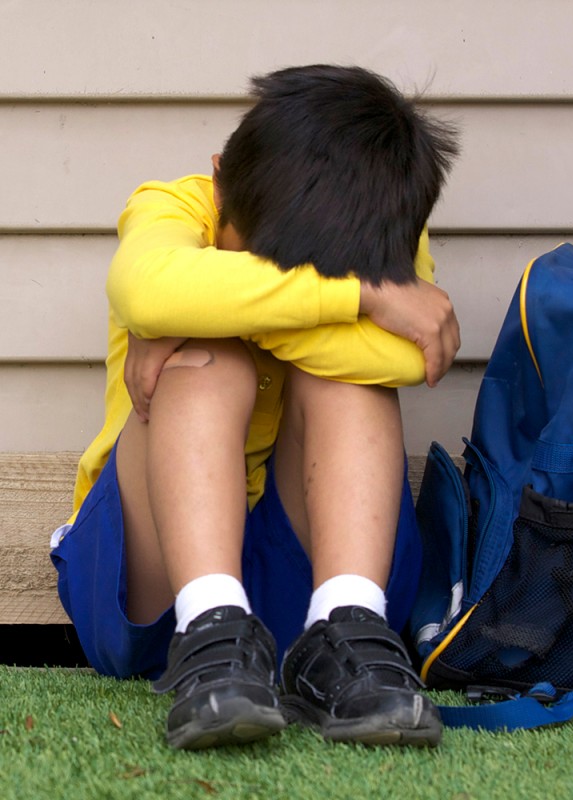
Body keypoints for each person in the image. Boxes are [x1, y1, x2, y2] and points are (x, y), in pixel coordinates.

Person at [50, 65, 460, 750]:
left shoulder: (378, 220)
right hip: (155, 589)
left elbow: (410, 359)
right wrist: (352, 298)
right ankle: (211, 628)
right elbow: (147, 289)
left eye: (310, 273)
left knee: (350, 381)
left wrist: (213, 306)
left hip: (325, 580)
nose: (274, 281)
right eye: (254, 264)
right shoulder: (179, 206)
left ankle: (348, 625)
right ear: (219, 179)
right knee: (210, 365)